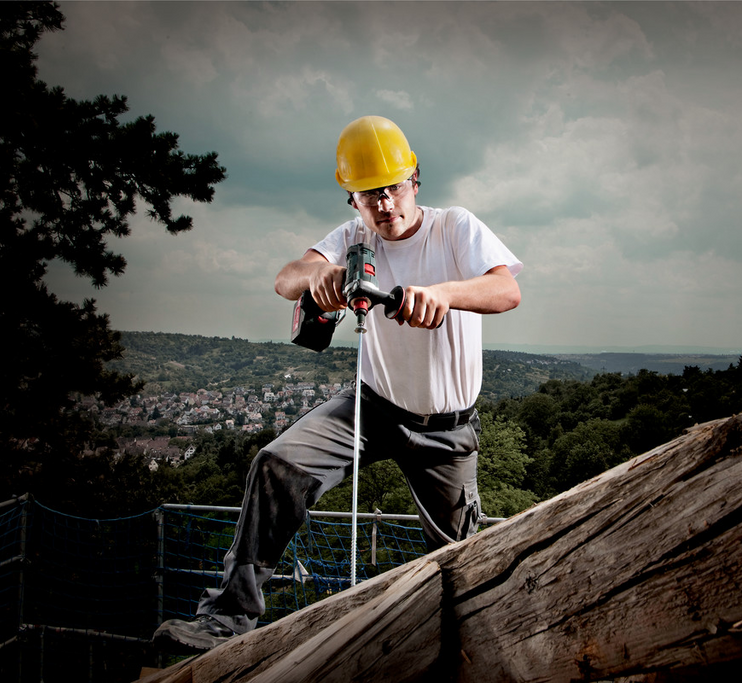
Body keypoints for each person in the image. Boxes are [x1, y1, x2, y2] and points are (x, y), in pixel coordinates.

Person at [152, 115, 522, 653]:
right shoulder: (353, 238)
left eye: (393, 189)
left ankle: (465, 650)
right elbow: (286, 278)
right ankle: (225, 621)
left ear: (415, 180)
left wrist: (443, 294)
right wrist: (316, 276)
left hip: (446, 429)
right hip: (370, 409)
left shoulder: (454, 227)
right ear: (352, 200)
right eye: (368, 196)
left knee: (455, 557)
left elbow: (505, 290)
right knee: (276, 467)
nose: (385, 205)